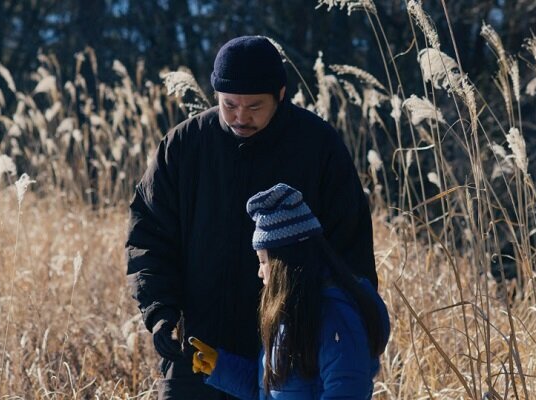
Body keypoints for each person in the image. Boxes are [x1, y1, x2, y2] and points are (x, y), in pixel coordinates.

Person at [125, 35, 377, 400]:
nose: (241, 117)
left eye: (255, 106)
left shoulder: (318, 146)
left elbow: (349, 251)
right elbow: (148, 237)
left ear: (281, 93)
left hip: (290, 354)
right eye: (229, 105)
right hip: (198, 352)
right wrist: (160, 311)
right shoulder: (183, 146)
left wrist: (341, 330)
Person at [189, 183, 390, 399]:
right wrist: (221, 368)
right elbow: (269, 392)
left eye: (263, 261)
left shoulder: (336, 317)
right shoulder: (291, 315)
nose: (259, 272)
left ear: (282, 264)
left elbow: (348, 392)